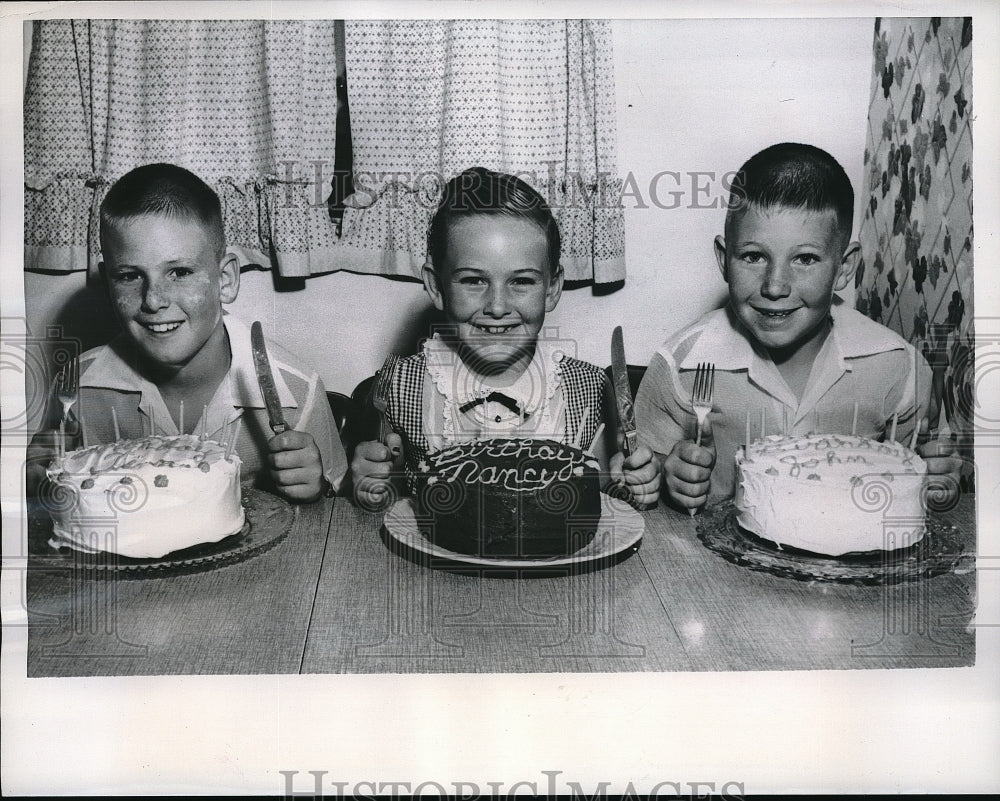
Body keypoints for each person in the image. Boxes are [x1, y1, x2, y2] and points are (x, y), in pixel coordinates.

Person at [635, 142, 962, 513]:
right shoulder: (681, 365)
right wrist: (666, 479)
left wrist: (938, 483)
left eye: (805, 259)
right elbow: (640, 480)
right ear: (724, 261)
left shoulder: (899, 368)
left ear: (844, 267)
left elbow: (927, 478)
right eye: (753, 256)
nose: (775, 286)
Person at [26, 163, 346, 503]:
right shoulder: (77, 386)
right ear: (107, 283)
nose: (153, 300)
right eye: (129, 276)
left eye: (179, 272)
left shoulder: (298, 393)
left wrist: (318, 490)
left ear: (225, 280)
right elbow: (54, 493)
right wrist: (38, 479)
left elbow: (337, 521)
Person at [349, 167, 660, 509]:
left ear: (553, 288)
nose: (497, 307)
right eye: (473, 281)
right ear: (436, 287)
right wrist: (375, 484)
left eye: (521, 281)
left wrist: (630, 484)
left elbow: (604, 494)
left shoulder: (587, 388)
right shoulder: (400, 386)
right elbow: (383, 498)